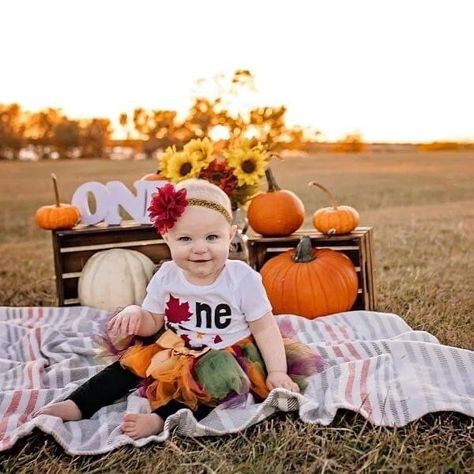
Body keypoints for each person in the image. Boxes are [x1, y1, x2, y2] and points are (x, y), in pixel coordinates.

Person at [34, 179, 320, 439]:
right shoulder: (166, 275)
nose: (199, 248)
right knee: (125, 367)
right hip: (174, 347)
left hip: (226, 355)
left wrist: (277, 371)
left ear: (230, 235)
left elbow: (264, 327)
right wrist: (137, 315)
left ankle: (160, 419)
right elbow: (153, 321)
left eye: (212, 238)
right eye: (185, 239)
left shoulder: (242, 278)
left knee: (208, 389)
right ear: (166, 237)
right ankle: (78, 403)